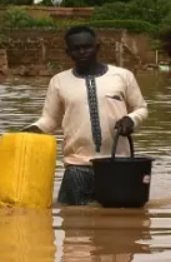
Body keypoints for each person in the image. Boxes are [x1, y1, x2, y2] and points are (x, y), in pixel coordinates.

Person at [23, 26, 148, 206]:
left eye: (87, 46)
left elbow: (141, 108)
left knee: (119, 224)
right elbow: (50, 120)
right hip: (77, 166)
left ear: (97, 47)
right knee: (74, 223)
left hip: (118, 164)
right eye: (76, 48)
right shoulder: (58, 81)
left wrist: (131, 119)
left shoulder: (122, 76)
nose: (82, 52)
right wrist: (32, 130)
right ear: (68, 52)